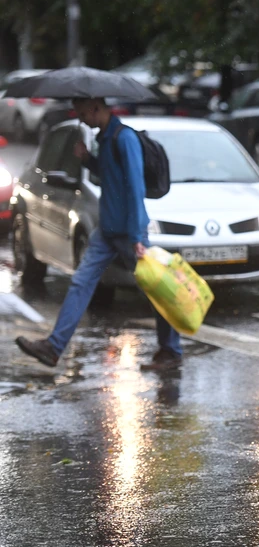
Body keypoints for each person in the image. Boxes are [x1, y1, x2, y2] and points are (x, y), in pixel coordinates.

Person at [15, 98, 182, 371]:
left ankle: (171, 350)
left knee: (156, 290)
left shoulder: (124, 138)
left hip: (129, 232)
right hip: (106, 231)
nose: (81, 120)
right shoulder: (104, 139)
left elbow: (135, 187)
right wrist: (88, 161)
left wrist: (137, 234)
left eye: (83, 114)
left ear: (96, 108)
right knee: (80, 283)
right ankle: (54, 347)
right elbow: (110, 176)